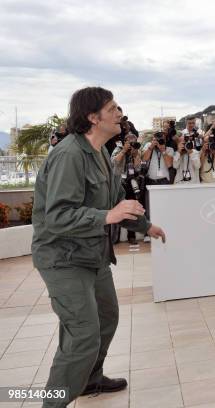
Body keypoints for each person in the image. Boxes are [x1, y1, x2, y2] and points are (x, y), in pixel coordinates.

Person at [31, 87, 166, 407]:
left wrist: (146, 227)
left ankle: (90, 378)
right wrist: (109, 215)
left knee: (107, 318)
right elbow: (58, 217)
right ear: (93, 118)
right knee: (83, 335)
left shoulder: (101, 153)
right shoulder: (68, 155)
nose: (120, 113)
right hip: (62, 257)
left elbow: (114, 203)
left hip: (92, 255)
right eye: (113, 108)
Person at [110, 133, 143, 244]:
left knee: (131, 210)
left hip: (131, 181)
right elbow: (113, 162)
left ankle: (131, 236)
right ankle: (114, 237)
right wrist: (124, 151)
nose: (133, 144)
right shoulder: (118, 148)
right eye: (130, 142)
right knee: (116, 208)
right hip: (119, 181)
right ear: (125, 141)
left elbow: (138, 167)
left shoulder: (136, 151)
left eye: (134, 141)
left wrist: (135, 155)